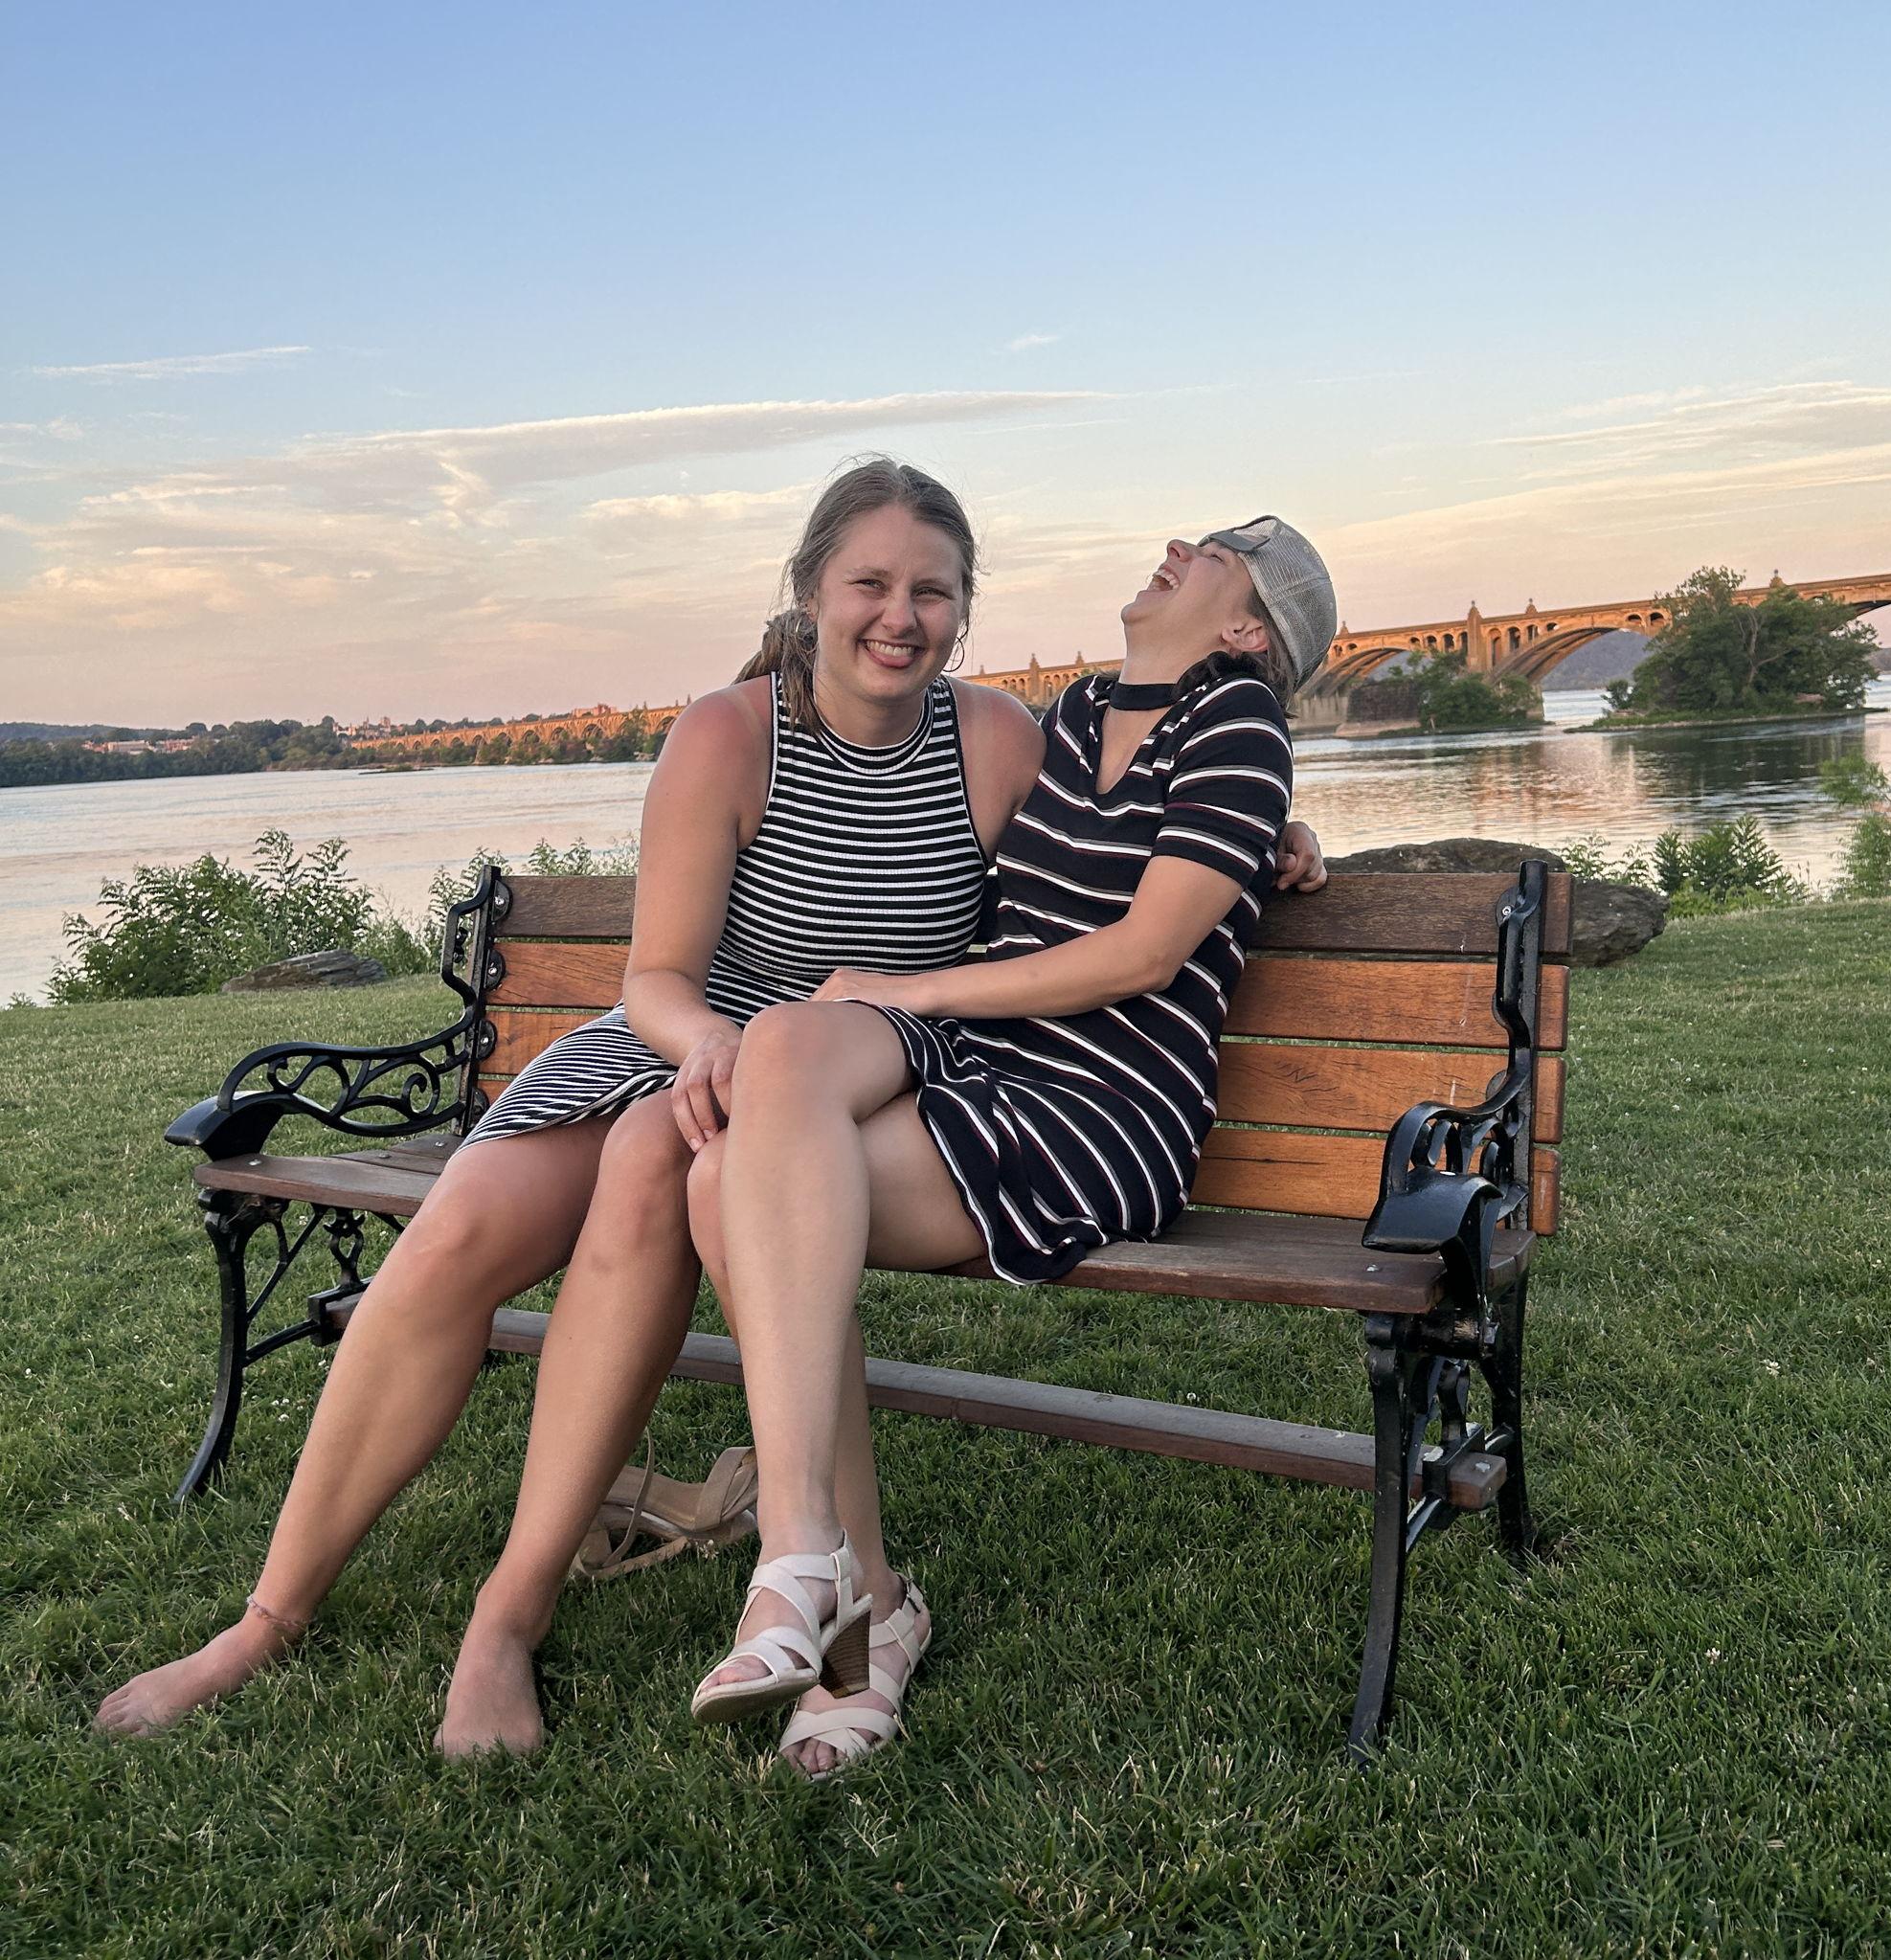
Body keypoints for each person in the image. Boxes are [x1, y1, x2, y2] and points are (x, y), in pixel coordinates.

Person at [93, 463, 1329, 1754]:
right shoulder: (731, 735)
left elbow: (1142, 838)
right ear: (811, 593)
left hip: (843, 1072)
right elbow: (655, 984)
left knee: (654, 1168)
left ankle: (507, 1621)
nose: (898, 616)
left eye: (931, 592)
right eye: (870, 585)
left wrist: (1288, 833)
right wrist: (712, 1051)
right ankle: (266, 1618)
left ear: (963, 614)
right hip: (684, 1047)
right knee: (457, 1236)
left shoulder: (999, 738)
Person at [685, 516, 1336, 1778]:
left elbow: (1148, 954)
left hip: (1104, 1101)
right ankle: (819, 1561)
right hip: (996, 1066)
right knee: (781, 1048)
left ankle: (842, 1606)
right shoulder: (1084, 710)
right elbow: (1028, 887)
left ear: (1249, 626)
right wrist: (1286, 844)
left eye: (1218, 549)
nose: (1176, 544)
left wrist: (915, 996)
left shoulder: (1239, 726)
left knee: (725, 1182)